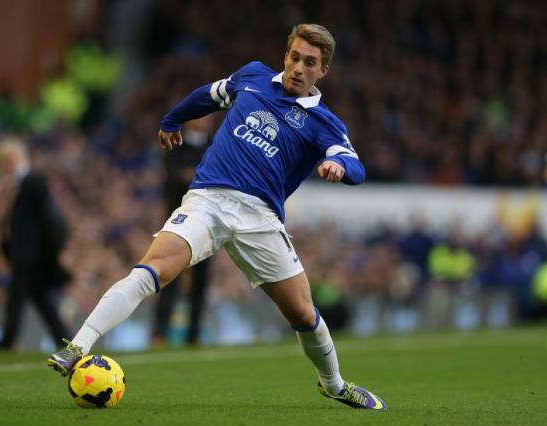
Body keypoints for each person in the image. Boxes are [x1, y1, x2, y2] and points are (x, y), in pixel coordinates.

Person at [48, 24, 386, 410]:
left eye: (309, 63)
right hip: (208, 200)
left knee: (304, 313)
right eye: (294, 57)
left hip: (260, 218)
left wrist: (339, 167)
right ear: (285, 56)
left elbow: (354, 164)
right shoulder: (253, 77)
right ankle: (77, 346)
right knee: (151, 269)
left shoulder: (324, 122)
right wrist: (171, 120)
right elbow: (208, 95)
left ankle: (335, 385)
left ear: (322, 70)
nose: (298, 68)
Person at [0, 138, 71, 350]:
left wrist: (55, 250)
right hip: (28, 254)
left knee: (16, 298)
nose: (3, 167)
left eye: (4, 161)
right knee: (42, 299)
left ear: (12, 159)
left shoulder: (33, 181)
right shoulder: (21, 184)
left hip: (30, 255)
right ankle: (64, 339)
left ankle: (6, 343)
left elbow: (49, 217)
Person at [152, 117, 213, 346]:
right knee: (169, 277)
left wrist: (191, 175)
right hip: (177, 221)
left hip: (207, 223)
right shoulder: (174, 141)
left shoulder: (214, 143)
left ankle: (194, 334)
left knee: (201, 281)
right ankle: (159, 332)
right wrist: (199, 176)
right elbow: (175, 175)